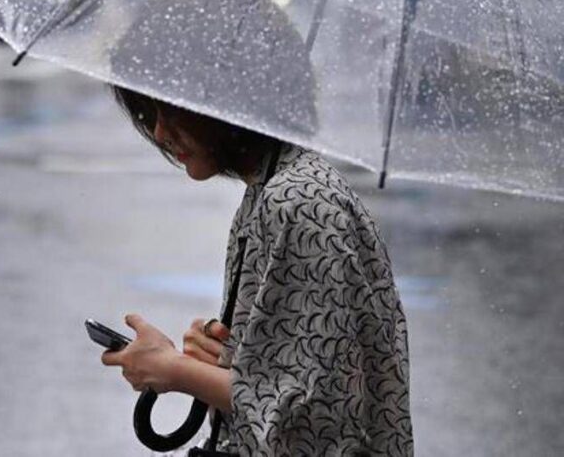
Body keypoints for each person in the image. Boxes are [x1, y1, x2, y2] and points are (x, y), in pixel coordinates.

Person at [100, 86, 413, 455]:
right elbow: (298, 374)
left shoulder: (298, 203)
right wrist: (228, 358)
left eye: (172, 112)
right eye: (150, 114)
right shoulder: (272, 191)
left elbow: (308, 418)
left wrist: (175, 371)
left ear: (225, 103)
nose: (160, 133)